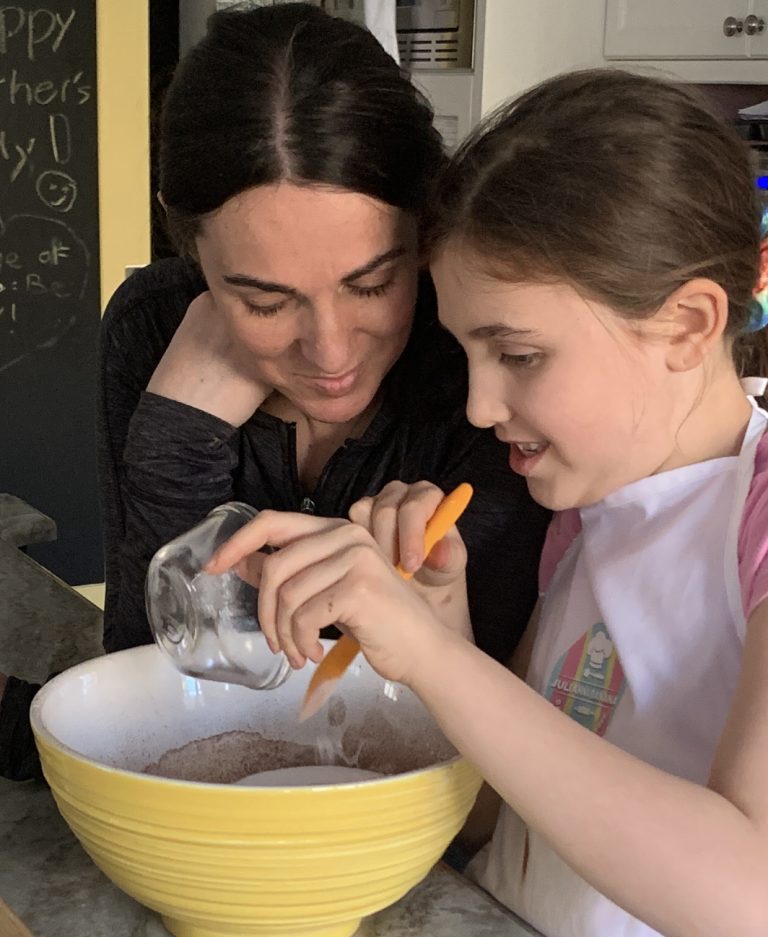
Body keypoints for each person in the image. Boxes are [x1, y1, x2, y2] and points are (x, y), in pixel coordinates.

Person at [206, 69, 768, 937]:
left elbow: (747, 894)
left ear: (689, 324)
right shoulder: (588, 514)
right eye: (467, 351)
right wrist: (443, 615)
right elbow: (494, 819)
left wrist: (436, 655)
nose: (478, 406)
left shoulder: (755, 510)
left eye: (519, 353)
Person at [0, 3, 549, 781]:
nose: (329, 352)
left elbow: (492, 741)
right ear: (185, 242)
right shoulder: (155, 324)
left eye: (373, 283)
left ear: (426, 229)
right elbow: (152, 692)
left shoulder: (481, 368)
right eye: (263, 301)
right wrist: (171, 444)